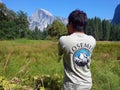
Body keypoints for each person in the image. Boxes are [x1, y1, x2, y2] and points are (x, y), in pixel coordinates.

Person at [58, 9, 96, 90]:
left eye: (68, 24)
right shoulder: (92, 40)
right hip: (87, 83)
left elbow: (60, 53)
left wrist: (69, 33)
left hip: (71, 85)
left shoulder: (63, 40)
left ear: (70, 24)